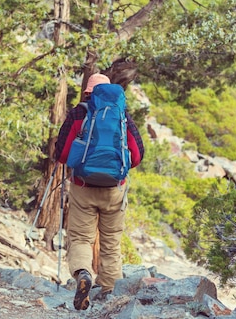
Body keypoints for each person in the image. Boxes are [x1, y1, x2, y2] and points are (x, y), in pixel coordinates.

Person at [54, 73, 145, 310]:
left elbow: (62, 154)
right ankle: (110, 290)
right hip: (114, 190)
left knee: (81, 238)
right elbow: (137, 155)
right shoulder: (122, 115)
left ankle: (83, 273)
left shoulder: (77, 114)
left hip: (83, 187)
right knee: (111, 241)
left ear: (87, 92)